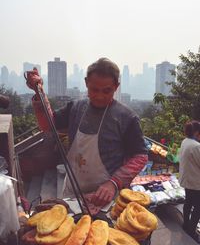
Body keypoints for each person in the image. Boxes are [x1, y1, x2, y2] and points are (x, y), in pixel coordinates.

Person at [26, 58, 148, 210]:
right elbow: (48, 125)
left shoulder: (126, 117)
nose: (100, 96)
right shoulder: (77, 108)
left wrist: (114, 183)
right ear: (86, 83)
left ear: (116, 87)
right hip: (73, 190)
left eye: (107, 91)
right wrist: (39, 94)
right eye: (94, 90)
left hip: (106, 197)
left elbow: (140, 156)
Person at [179, 120, 200, 243]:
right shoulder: (196, 146)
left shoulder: (185, 141)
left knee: (188, 203)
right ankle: (192, 231)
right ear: (197, 132)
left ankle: (185, 224)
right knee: (198, 207)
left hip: (187, 180)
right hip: (196, 182)